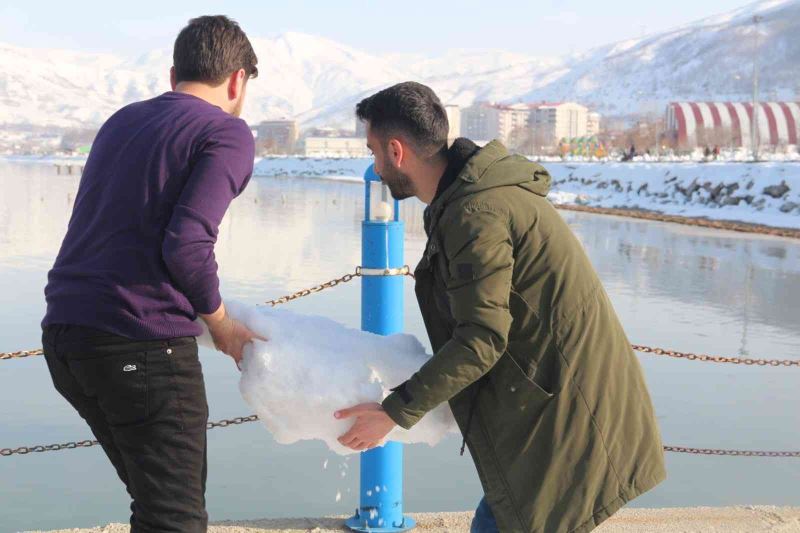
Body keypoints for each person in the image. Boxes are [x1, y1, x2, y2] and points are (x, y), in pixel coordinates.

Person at [335, 82, 666, 532]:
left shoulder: (477, 213)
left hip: (566, 413)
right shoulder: (471, 197)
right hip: (553, 402)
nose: (372, 164)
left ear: (396, 152)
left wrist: (395, 412)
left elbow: (482, 339)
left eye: (373, 151)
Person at [41, 16, 260, 532]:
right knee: (175, 519)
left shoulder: (123, 121)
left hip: (67, 337)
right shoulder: (227, 132)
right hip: (141, 343)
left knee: (156, 506)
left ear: (172, 74)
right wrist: (222, 323)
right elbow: (187, 244)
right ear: (237, 80)